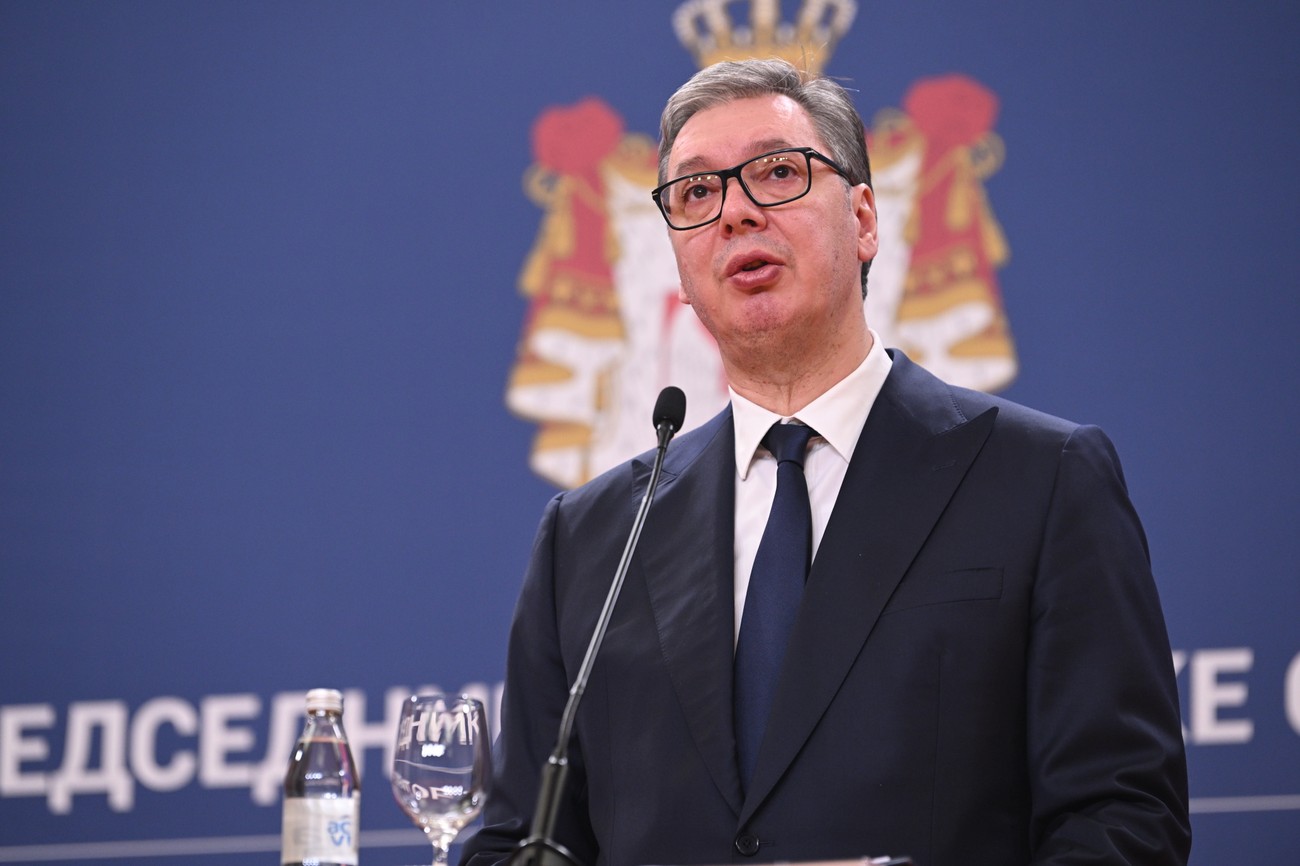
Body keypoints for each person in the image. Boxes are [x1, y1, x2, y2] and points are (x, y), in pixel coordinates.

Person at [461, 59, 1190, 866]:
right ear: (678, 262)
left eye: (778, 173)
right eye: (697, 193)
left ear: (865, 219)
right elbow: (516, 842)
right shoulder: (589, 538)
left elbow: (1121, 817)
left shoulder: (1042, 480)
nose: (735, 212)